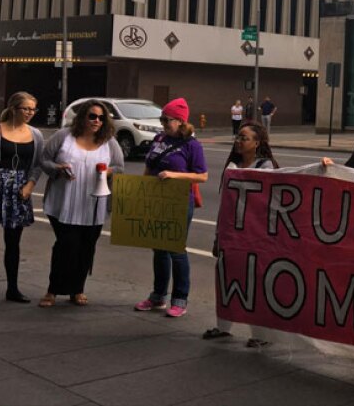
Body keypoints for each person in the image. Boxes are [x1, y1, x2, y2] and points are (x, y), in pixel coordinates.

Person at [38, 99, 124, 307]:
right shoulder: (64, 136)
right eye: (92, 116)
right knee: (66, 246)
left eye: (101, 118)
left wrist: (107, 171)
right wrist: (58, 168)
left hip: (93, 205)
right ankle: (53, 290)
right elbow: (44, 160)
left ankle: (77, 289)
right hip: (63, 202)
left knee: (86, 247)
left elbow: (119, 167)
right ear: (83, 117)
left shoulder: (109, 141)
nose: (97, 121)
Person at [204, 122, 279, 346]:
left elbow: (269, 206)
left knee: (253, 283)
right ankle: (223, 326)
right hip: (232, 234)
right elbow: (225, 207)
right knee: (226, 277)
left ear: (257, 143)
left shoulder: (265, 168)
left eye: (244, 138)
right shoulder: (233, 166)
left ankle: (260, 335)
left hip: (255, 236)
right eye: (238, 137)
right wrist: (218, 236)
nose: (238, 141)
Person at [134, 98, 208, 318]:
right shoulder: (159, 139)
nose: (163, 123)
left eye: (167, 119)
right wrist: (141, 190)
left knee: (176, 249)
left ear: (181, 121)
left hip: (178, 201)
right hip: (157, 198)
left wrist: (174, 175)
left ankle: (180, 299)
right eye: (162, 119)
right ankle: (158, 296)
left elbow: (202, 175)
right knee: (158, 247)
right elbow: (149, 166)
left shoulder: (192, 145)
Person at [0, 92, 45, 303]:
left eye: (33, 109)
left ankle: (12, 288)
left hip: (19, 189)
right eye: (26, 109)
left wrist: (30, 185)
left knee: (13, 242)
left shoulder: (36, 134)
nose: (30, 113)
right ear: (14, 108)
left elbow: (38, 163)